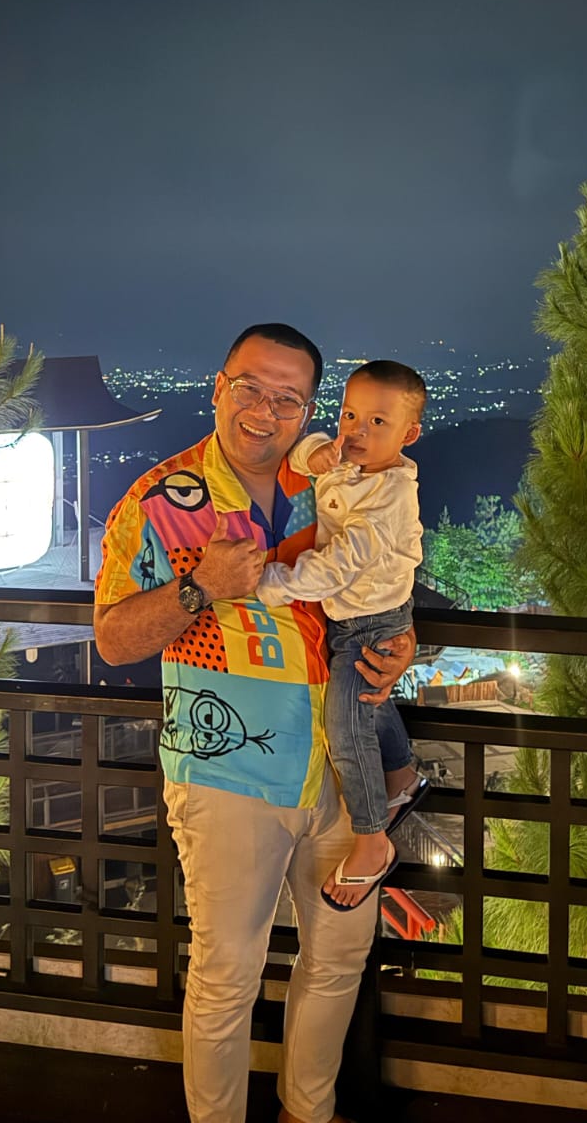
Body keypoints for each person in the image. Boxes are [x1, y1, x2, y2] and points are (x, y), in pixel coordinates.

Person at [94, 324, 417, 1123]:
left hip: (342, 769)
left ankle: (309, 1112)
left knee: (338, 960)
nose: (266, 410)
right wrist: (199, 587)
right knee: (226, 975)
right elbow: (113, 639)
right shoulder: (160, 501)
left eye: (289, 398)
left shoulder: (338, 480)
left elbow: (383, 578)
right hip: (227, 770)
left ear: (310, 409)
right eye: (250, 387)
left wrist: (401, 641)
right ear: (219, 387)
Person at [258, 361, 430, 912]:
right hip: (366, 616)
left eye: (377, 422)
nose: (356, 431)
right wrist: (315, 454)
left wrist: (270, 582)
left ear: (409, 434)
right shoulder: (356, 465)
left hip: (369, 623)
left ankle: (372, 840)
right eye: (350, 415)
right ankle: (402, 777)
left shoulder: (386, 499)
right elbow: (307, 453)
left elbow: (336, 566)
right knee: (372, 703)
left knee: (347, 728)